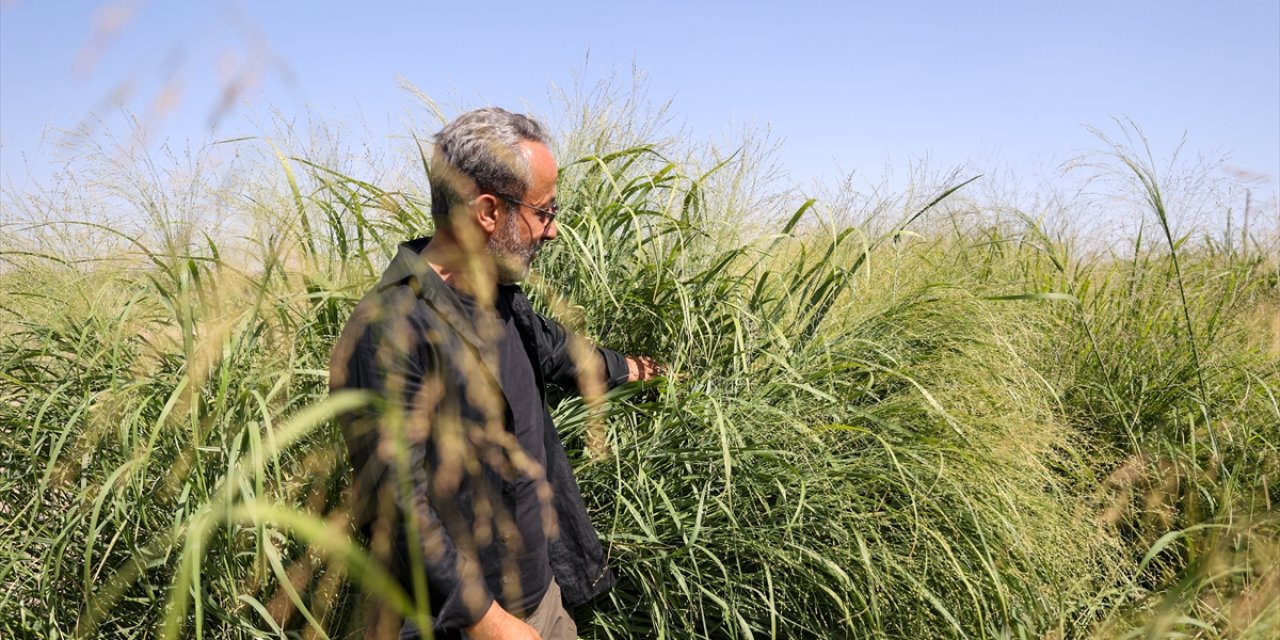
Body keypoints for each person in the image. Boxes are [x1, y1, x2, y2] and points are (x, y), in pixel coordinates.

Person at [329, 107, 663, 640]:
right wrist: (488, 620)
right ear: (488, 211)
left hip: (544, 601)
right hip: (465, 623)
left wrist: (646, 370)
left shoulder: (503, 301)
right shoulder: (390, 329)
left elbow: (566, 355)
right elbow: (396, 506)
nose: (552, 232)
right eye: (544, 212)